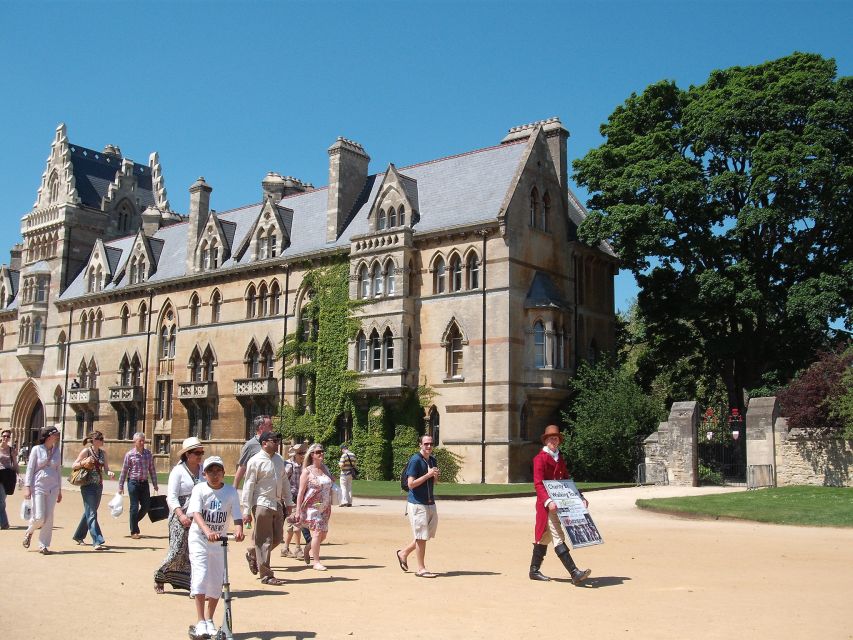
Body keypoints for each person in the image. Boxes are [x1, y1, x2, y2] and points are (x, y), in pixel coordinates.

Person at [187, 456, 244, 639]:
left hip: (220, 541)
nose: (214, 474)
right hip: (199, 539)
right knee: (201, 575)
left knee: (216, 581)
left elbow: (237, 514)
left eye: (218, 470)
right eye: (210, 470)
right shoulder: (199, 489)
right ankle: (200, 620)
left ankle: (210, 619)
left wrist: (238, 529)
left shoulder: (230, 492)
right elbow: (196, 513)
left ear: (223, 473)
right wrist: (207, 530)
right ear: (204, 474)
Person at [528, 424, 591, 585]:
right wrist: (548, 501)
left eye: (556, 438)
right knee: (558, 536)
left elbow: (566, 481)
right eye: (551, 438)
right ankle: (574, 573)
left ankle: (534, 571)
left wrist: (579, 497)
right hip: (547, 506)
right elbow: (538, 484)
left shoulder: (559, 458)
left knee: (544, 538)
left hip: (561, 505)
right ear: (546, 440)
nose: (553, 441)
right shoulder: (539, 459)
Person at [241, 431, 293, 585]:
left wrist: (289, 502)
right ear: (264, 443)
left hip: (276, 502)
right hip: (261, 502)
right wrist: (246, 510)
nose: (277, 443)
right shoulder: (255, 461)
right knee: (264, 540)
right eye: (274, 440)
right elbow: (248, 486)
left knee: (277, 538)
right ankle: (266, 575)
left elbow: (284, 481)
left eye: (278, 440)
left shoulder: (279, 459)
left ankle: (253, 554)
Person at [154, 436, 204, 594]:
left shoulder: (203, 469)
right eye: (197, 453)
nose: (200, 456)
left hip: (197, 515)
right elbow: (172, 497)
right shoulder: (178, 471)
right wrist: (181, 515)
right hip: (179, 516)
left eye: (201, 452)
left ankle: (193, 584)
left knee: (194, 552)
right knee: (176, 550)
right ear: (188, 454)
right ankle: (160, 576)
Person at [396, 434, 440, 578]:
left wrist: (435, 476)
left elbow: (434, 483)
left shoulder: (432, 460)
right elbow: (411, 484)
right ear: (420, 445)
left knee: (425, 536)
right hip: (417, 503)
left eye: (431, 444)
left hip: (430, 502)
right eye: (426, 444)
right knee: (421, 536)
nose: (428, 446)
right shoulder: (415, 460)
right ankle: (421, 569)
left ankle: (404, 553)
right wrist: (428, 475)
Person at [71, 430, 115, 549]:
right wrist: (84, 462)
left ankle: (79, 535)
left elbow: (106, 468)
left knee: (89, 512)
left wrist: (109, 473)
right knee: (92, 513)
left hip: (98, 486)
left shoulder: (103, 453)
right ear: (94, 440)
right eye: (100, 439)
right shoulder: (86, 451)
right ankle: (97, 540)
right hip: (87, 485)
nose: (102, 441)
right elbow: (74, 465)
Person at [23, 425, 63, 554]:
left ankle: (43, 545)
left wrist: (60, 490)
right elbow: (30, 469)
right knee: (39, 517)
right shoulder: (36, 449)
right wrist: (27, 487)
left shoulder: (57, 451)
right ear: (48, 436)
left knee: (49, 517)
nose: (57, 436)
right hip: (38, 485)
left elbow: (58, 470)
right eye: (55, 434)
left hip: (53, 486)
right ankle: (29, 532)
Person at [295, 443, 334, 571]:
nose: (321, 453)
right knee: (317, 532)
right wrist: (298, 511)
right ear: (312, 455)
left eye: (322, 451)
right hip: (313, 506)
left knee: (324, 534)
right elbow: (301, 492)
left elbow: (330, 483)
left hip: (325, 506)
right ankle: (316, 561)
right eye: (318, 452)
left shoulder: (325, 468)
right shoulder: (307, 471)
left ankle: (308, 547)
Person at [117, 432, 159, 539]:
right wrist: (120, 486)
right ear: (134, 442)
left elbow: (152, 470)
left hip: (144, 483)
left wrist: (155, 484)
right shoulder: (129, 454)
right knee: (134, 507)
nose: (142, 442)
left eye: (143, 440)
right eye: (140, 440)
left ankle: (133, 522)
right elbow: (124, 471)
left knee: (146, 506)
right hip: (133, 483)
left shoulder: (148, 454)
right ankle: (134, 530)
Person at [281, 443, 309, 558]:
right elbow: (282, 481)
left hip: (300, 497)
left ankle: (285, 548)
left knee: (292, 524)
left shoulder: (304, 465)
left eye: (304, 453)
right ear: (295, 454)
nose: (303, 455)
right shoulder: (289, 465)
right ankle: (297, 549)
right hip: (291, 497)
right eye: (301, 453)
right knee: (296, 523)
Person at [233, 415, 272, 489]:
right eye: (270, 425)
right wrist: (233, 491)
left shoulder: (272, 443)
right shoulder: (250, 445)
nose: (272, 428)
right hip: (255, 490)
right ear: (261, 428)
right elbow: (242, 468)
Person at [0, 428, 21, 530]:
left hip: (6, 476)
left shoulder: (11, 450)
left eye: (8, 436)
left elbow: (15, 464)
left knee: (2, 500)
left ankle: (3, 522)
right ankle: (4, 523)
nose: (6, 438)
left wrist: (19, 475)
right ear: (1, 437)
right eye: (4, 436)